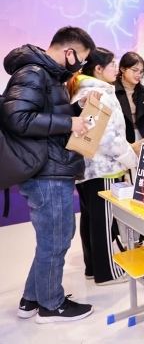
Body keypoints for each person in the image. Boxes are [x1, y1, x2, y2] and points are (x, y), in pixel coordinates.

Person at [2, 26, 96, 322]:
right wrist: (70, 124)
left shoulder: (47, 75)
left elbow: (43, 114)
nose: (81, 65)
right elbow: (17, 118)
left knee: (51, 238)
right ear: (69, 52)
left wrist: (75, 109)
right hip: (47, 172)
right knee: (56, 239)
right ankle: (51, 305)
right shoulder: (33, 73)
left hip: (51, 167)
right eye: (81, 58)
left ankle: (31, 299)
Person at [67, 47, 138, 286]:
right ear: (98, 68)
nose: (116, 69)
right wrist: (130, 157)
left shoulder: (81, 90)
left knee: (90, 218)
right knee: (103, 221)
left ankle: (93, 268)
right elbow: (107, 138)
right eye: (112, 65)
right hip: (103, 168)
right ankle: (107, 272)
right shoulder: (99, 94)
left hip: (87, 168)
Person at [114, 52, 144, 145]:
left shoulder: (143, 92)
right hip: (120, 139)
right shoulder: (112, 90)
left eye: (141, 72)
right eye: (135, 70)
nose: (138, 75)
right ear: (123, 69)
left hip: (142, 139)